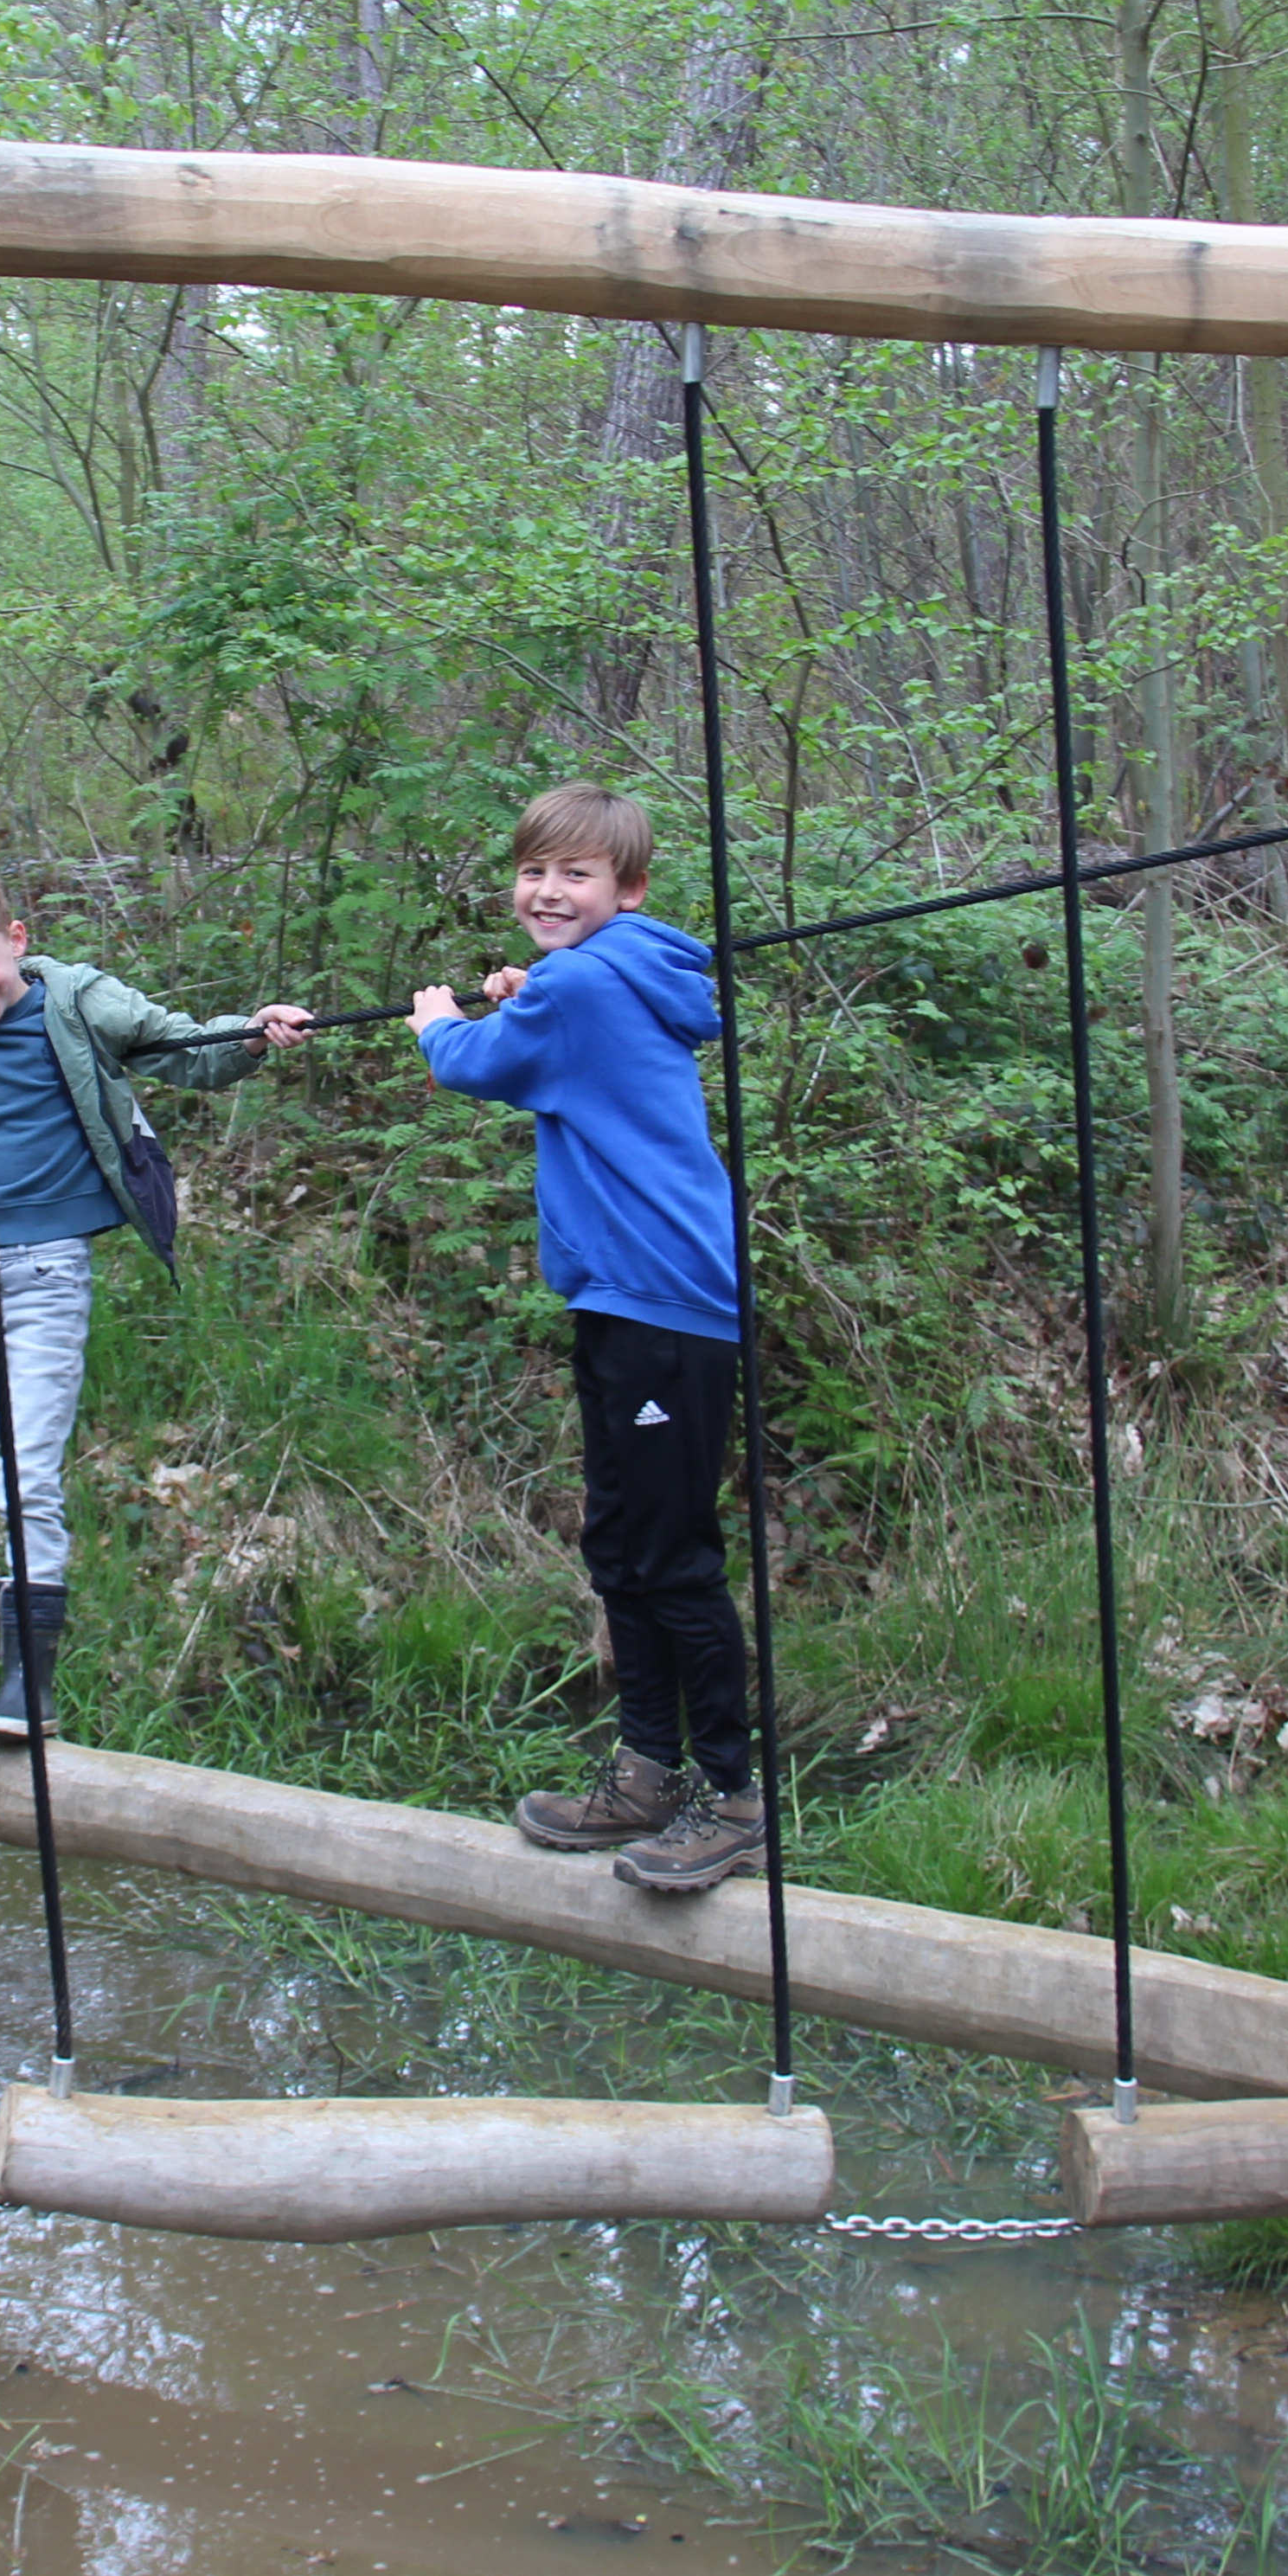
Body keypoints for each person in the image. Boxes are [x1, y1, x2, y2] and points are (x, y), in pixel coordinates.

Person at [0, 860, 311, 1739]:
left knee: (24, 1478)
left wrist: (255, 1033)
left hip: (47, 1273)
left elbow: (183, 1047)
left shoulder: (78, 1003)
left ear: (17, 940)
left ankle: (25, 1685)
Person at [408, 786, 759, 1891]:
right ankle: (648, 1770)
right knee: (620, 1543)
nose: (548, 892)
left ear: (630, 889)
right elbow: (562, 1037)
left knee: (670, 1557)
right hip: (624, 1298)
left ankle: (733, 1798)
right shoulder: (606, 974)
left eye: (577, 875)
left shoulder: (586, 980)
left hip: (661, 1299)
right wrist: (529, 992)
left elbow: (477, 1065)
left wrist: (437, 1021)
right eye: (534, 872)